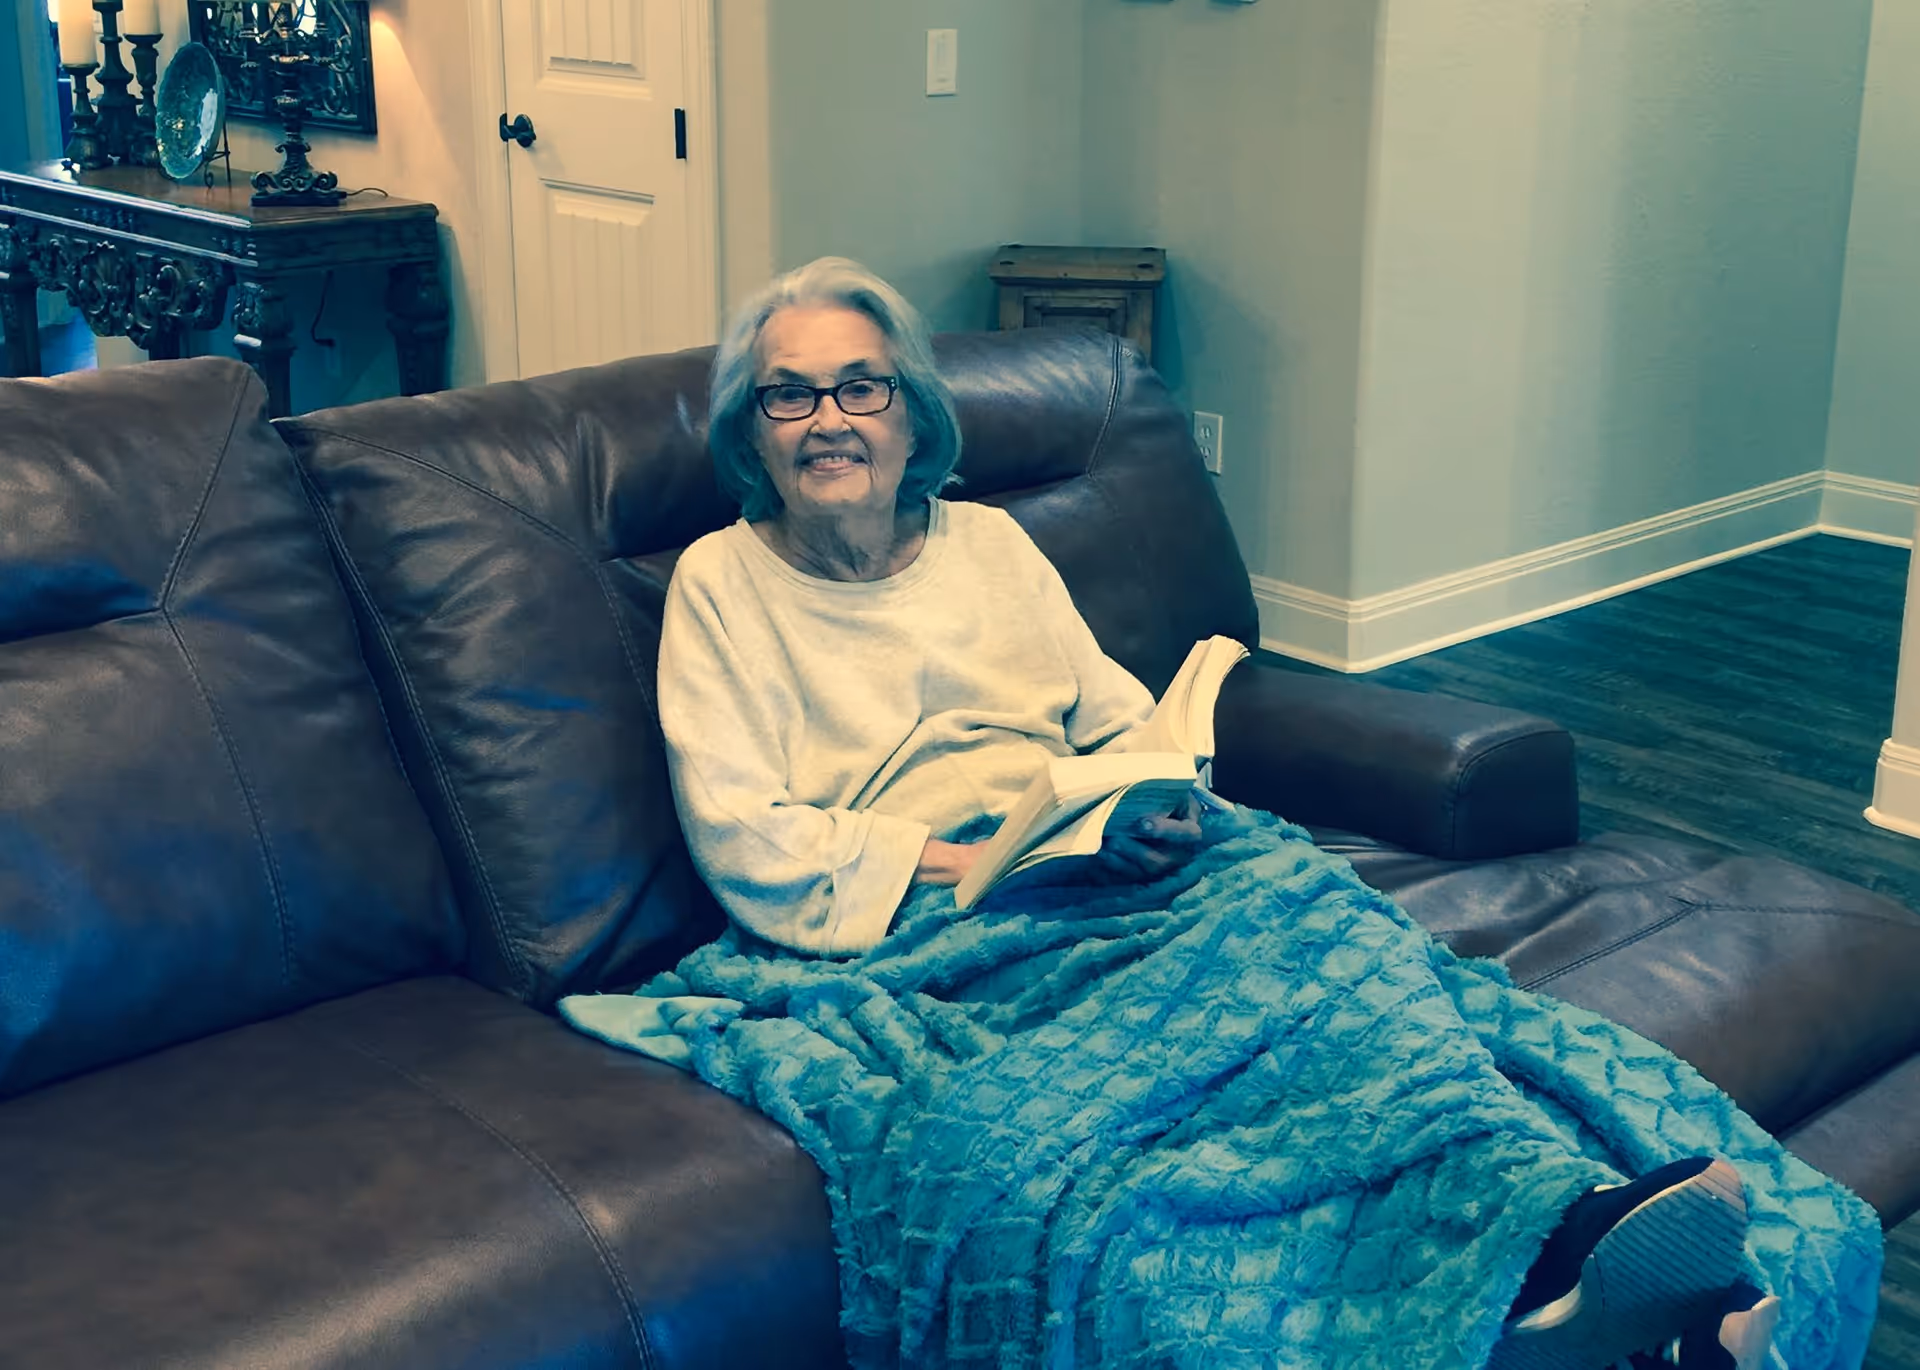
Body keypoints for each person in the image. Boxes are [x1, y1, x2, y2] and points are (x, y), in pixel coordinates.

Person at [562, 258, 1880, 1370]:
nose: (826, 419)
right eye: (789, 394)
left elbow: (1112, 715)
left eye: (859, 385)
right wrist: (966, 856)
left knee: (1345, 961)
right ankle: (1545, 1300)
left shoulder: (992, 547)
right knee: (1125, 1152)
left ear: (912, 415)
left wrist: (1148, 796)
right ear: (752, 429)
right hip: (937, 915)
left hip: (1107, 863)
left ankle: (1559, 1241)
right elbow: (749, 834)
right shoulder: (726, 587)